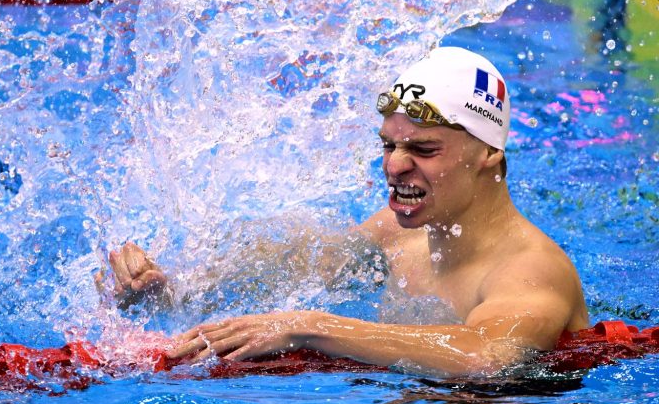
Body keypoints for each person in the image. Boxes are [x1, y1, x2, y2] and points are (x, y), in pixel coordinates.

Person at [103, 47, 589, 376]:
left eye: (423, 149)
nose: (394, 166)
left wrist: (314, 325)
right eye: (388, 145)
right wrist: (166, 291)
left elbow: (489, 355)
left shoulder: (531, 272)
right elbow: (293, 268)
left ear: (488, 155)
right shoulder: (397, 234)